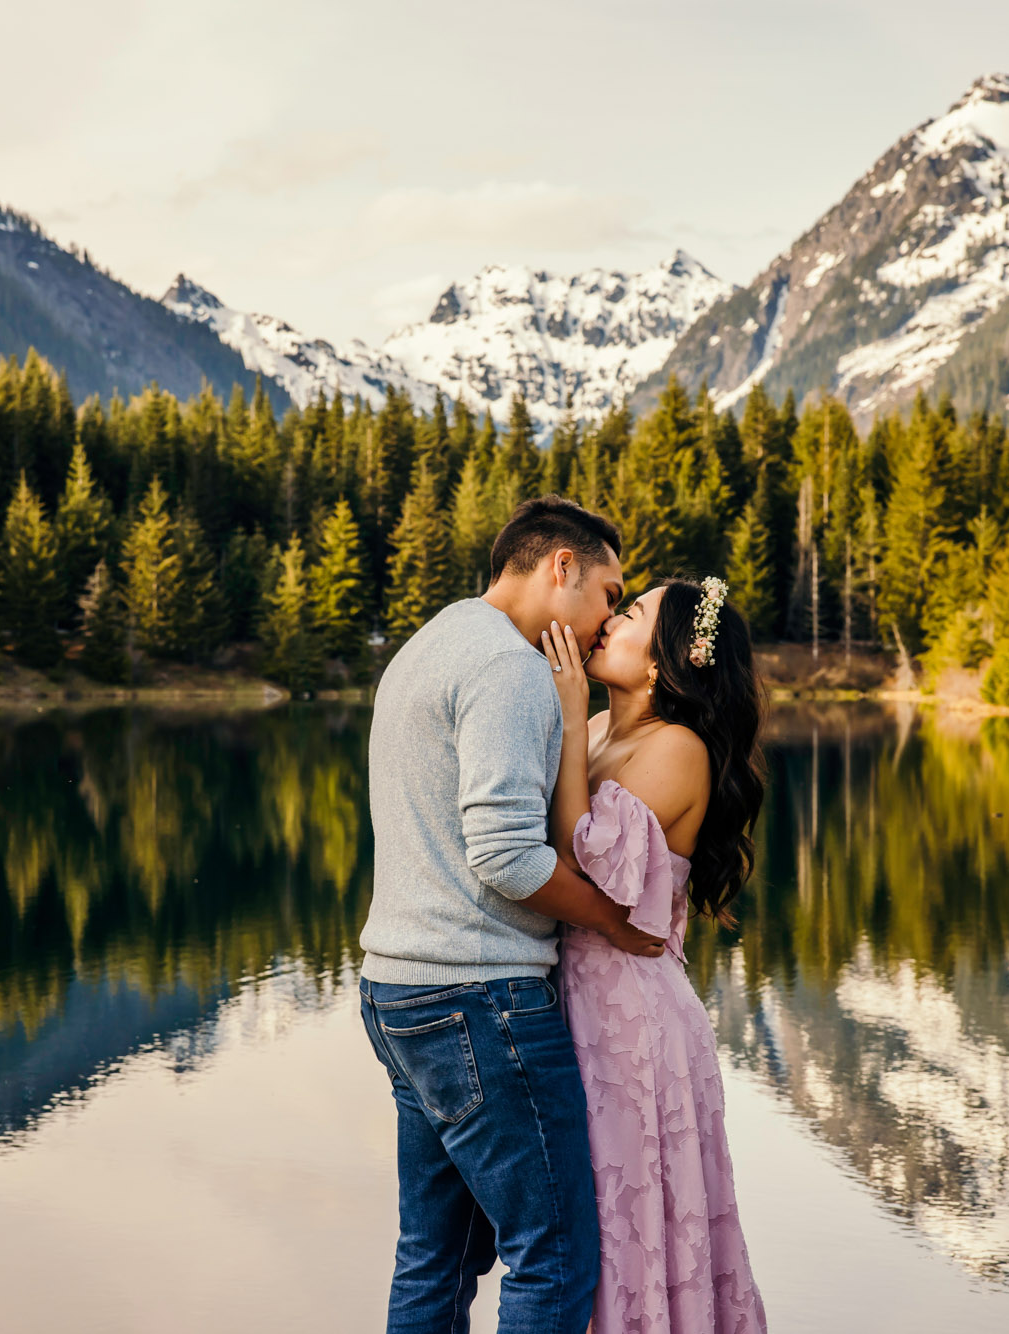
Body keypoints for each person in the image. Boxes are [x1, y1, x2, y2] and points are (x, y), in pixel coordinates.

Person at [359, 496, 667, 1334]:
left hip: (396, 989)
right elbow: (505, 856)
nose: (608, 616)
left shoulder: (437, 640)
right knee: (555, 1255)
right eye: (608, 592)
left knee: (435, 1260)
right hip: (478, 999)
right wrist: (610, 918)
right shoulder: (508, 668)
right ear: (560, 568)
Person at [539, 575, 770, 1333]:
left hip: (634, 1029)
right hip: (580, 1009)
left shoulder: (679, 748)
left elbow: (579, 863)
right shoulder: (607, 734)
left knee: (627, 1232)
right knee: (582, 1231)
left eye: (630, 614)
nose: (607, 620)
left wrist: (572, 719)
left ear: (661, 661)